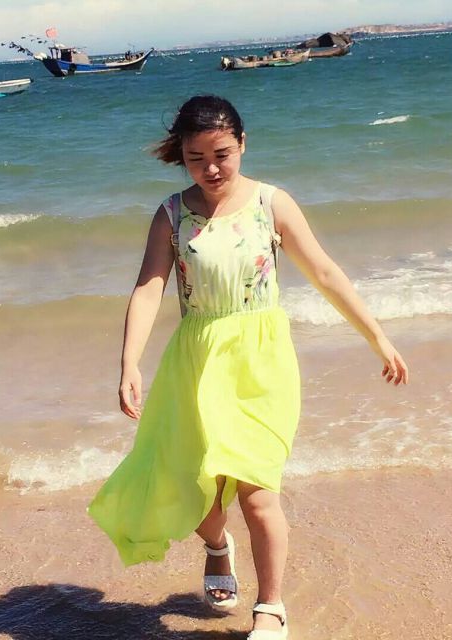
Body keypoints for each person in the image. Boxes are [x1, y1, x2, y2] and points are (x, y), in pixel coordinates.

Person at [88, 95, 409, 639]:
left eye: (222, 154)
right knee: (198, 494)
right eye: (196, 158)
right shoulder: (172, 214)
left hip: (262, 364)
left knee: (258, 493)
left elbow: (324, 272)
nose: (211, 169)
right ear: (181, 156)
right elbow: (148, 288)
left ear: (242, 144)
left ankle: (271, 607)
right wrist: (129, 363)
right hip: (197, 363)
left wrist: (376, 336)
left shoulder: (271, 203)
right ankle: (217, 546)